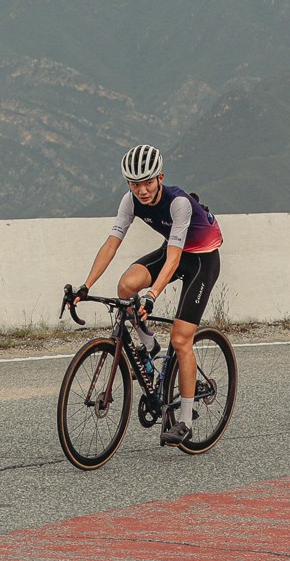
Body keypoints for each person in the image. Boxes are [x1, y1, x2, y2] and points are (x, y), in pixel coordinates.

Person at [77, 143, 223, 446]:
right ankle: (149, 346)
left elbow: (173, 259)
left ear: (160, 177)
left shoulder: (178, 203)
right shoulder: (130, 201)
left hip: (201, 260)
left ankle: (183, 421)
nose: (141, 190)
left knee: (182, 339)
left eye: (147, 182)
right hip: (174, 251)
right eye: (134, 183)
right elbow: (111, 243)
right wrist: (85, 286)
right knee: (126, 286)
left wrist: (153, 295)